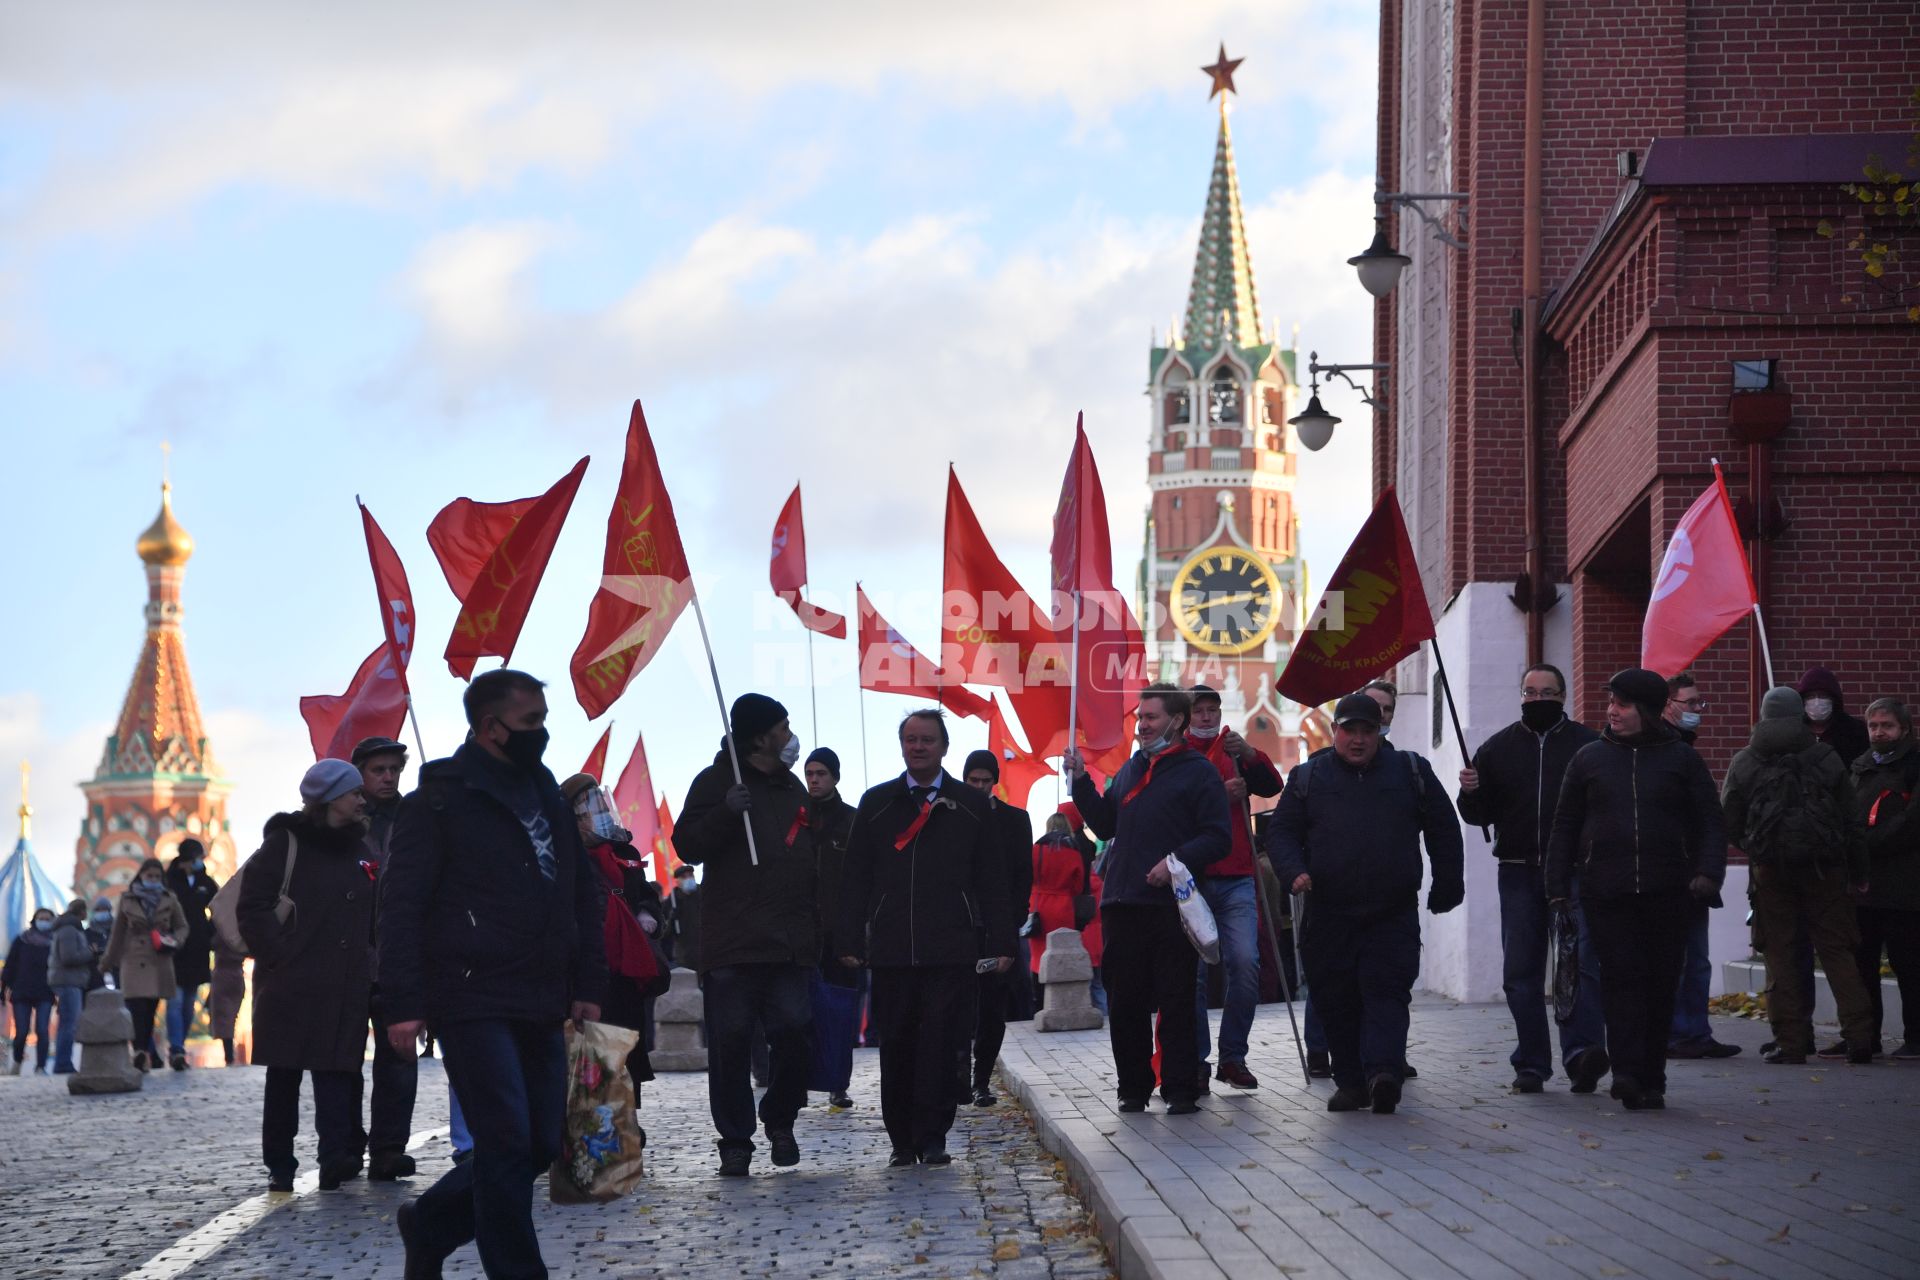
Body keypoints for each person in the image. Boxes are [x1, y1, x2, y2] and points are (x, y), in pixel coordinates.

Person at [380, 669, 606, 1279]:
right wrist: (402, 1001)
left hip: (543, 992)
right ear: (490, 727)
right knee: (504, 1139)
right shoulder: (440, 797)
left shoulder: (549, 795)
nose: (542, 733)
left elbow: (582, 892)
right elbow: (400, 904)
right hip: (470, 992)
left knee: (540, 1141)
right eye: (530, 722)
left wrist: (588, 984)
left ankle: (430, 1224)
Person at [1270, 692, 1464, 1114]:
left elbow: (1443, 827)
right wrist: (1292, 870)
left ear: (1380, 733)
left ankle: (1384, 1073)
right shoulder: (1308, 778)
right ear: (1334, 731)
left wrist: (1448, 883)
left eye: (1367, 731)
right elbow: (1281, 833)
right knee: (1336, 997)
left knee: (1387, 992)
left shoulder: (1410, 771)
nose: (1358, 739)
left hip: (1390, 909)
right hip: (1328, 911)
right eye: (1349, 730)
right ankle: (1352, 1083)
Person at [837, 710, 1015, 1164]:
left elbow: (993, 878)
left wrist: (1002, 941)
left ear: (944, 747)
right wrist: (850, 939)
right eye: (911, 739)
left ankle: (934, 1135)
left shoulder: (970, 807)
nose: (919, 747)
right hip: (893, 949)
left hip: (950, 947)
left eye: (927, 740)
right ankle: (901, 1140)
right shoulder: (876, 804)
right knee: (896, 1044)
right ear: (901, 746)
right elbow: (854, 878)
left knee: (941, 1043)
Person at [1547, 667, 1726, 1111]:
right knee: (1621, 980)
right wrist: (1555, 886)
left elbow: (1710, 821)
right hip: (1606, 892)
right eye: (1610, 703)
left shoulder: (1681, 760)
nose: (1612, 711)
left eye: (1621, 704)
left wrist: (1707, 873)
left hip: (1670, 892)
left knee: (1662, 983)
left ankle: (1653, 1077)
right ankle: (1627, 1073)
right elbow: (1565, 825)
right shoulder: (1589, 759)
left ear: (1646, 710)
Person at [1067, 684, 1231, 1117]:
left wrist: (1174, 861)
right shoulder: (1131, 767)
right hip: (1122, 901)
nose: (1141, 726)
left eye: (1151, 718)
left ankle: (1179, 1088)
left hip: (1170, 906)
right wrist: (1080, 783)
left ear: (1176, 721)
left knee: (1177, 999)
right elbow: (1104, 826)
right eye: (1140, 718)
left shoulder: (1198, 771)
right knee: (1125, 1003)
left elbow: (1218, 836)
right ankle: (1132, 1088)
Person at [676, 693, 819, 1178]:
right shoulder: (717, 781)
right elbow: (686, 845)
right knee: (732, 1041)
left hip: (788, 940)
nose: (789, 735)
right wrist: (724, 813)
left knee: (795, 1031)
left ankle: (780, 1118)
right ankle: (735, 1139)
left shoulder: (791, 786)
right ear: (760, 737)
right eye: (782, 726)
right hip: (733, 942)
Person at [1456, 663, 1608, 1094]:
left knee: (1579, 965)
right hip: (1519, 873)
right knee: (1520, 972)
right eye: (1530, 691)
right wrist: (1470, 792)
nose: (1537, 698)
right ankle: (1531, 1064)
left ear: (1563, 696)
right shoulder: (1497, 748)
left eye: (1547, 691)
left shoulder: (1590, 746)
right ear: (1520, 696)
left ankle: (1581, 1055)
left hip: (1574, 874)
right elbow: (1478, 815)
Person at [237, 760, 378, 1192]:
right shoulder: (286, 843)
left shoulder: (361, 847)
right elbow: (252, 906)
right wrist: (281, 955)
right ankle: (280, 1163)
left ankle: (335, 1157)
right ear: (333, 798)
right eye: (354, 792)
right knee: (285, 1076)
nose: (361, 799)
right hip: (292, 984)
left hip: (345, 983)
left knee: (338, 1071)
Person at [1721, 687, 1874, 1065]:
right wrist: (1859, 870)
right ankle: (1859, 1038)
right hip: (1826, 869)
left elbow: (1728, 818)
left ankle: (1791, 1043)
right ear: (1801, 714)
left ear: (1763, 715)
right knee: (1838, 951)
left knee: (1781, 954)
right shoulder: (1825, 755)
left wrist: (1756, 847)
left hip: (1771, 871)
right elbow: (1851, 819)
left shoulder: (1746, 759)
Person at [1185, 684, 1283, 1092]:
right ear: (1184, 717)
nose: (1208, 717)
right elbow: (1171, 809)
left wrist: (1250, 755)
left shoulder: (1232, 749)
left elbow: (1272, 785)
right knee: (1194, 976)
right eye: (1200, 711)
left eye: (1213, 709)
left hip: (1238, 874)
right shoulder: (1178, 755)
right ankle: (1196, 1060)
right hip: (1193, 879)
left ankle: (1233, 1055)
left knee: (1245, 964)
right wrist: (1217, 795)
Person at [561, 773, 661, 1140]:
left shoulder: (625, 852)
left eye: (602, 807)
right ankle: (594, 1123)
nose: (600, 815)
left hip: (625, 968)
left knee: (628, 1048)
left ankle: (627, 1115)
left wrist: (649, 914)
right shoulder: (564, 855)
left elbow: (645, 894)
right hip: (584, 967)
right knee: (591, 1048)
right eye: (590, 809)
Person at [1662, 673, 1741, 1060]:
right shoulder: (1672, 754)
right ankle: (1682, 1033)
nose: (1697, 711)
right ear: (1667, 706)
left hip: (1691, 875)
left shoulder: (1684, 751)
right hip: (1678, 876)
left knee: (1694, 960)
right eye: (1689, 703)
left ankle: (1691, 1031)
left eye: (1699, 704)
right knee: (1685, 961)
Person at [353, 734, 420, 1182]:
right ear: (360, 774)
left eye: (394, 769)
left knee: (399, 1055)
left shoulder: (413, 819)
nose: (388, 777)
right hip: (351, 957)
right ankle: (340, 1147)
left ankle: (389, 1148)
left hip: (400, 954)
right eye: (379, 769)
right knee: (341, 1060)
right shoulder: (345, 822)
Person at [959, 748, 1034, 1108]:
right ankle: (958, 1076)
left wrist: (1012, 924)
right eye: (972, 781)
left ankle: (981, 1080)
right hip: (957, 929)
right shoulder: (949, 815)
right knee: (956, 1006)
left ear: (994, 783)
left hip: (996, 929)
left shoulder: (1014, 820)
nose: (978, 787)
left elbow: (1022, 877)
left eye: (985, 781)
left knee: (992, 1009)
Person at [1848, 698, 1920, 1060]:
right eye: (1873, 726)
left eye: (1886, 726)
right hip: (1864, 888)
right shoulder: (1860, 766)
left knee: (1909, 965)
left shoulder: (1914, 765)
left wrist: (1864, 843)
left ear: (1904, 729)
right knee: (1862, 966)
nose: (1879, 732)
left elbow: (1911, 823)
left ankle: (1916, 1037)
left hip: (1905, 887)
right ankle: (1865, 1037)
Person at [805, 747, 861, 1110]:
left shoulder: (853, 820)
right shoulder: (797, 819)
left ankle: (838, 1083)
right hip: (803, 933)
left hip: (842, 934)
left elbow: (864, 881)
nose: (814, 780)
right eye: (809, 773)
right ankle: (802, 1080)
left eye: (821, 773)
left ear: (835, 776)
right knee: (800, 1012)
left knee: (840, 1012)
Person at [103, 858, 187, 1073]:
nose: (153, 880)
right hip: (133, 958)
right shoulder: (127, 899)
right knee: (136, 1008)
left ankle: (142, 1051)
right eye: (149, 876)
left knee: (150, 1009)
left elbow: (182, 926)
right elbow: (117, 933)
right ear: (141, 875)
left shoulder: (170, 899)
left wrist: (174, 941)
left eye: (157, 877)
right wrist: (106, 962)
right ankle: (139, 1051)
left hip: (159, 958)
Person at [160, 838, 218, 1071]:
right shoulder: (170, 881)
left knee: (188, 1003)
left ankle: (179, 1045)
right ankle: (176, 1048)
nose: (200, 862)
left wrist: (210, 932)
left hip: (197, 949)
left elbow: (219, 905)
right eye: (197, 857)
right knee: (174, 1001)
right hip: (175, 948)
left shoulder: (205, 882)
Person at [3, 906, 57, 1075]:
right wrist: (4, 988)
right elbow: (10, 966)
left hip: (45, 992)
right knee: (21, 1032)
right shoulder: (22, 940)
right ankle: (17, 1062)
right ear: (34, 920)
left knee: (42, 1030)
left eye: (48, 919)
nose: (44, 922)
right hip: (22, 992)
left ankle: (40, 1066)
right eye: (41, 918)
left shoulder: (54, 942)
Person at [46, 899, 94, 1074]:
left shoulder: (68, 928)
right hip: (68, 981)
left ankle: (63, 1061)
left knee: (67, 1023)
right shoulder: (68, 930)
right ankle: (63, 1063)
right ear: (81, 912)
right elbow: (68, 957)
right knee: (69, 1024)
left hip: (70, 980)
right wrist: (90, 952)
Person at [1798, 666, 1872, 767]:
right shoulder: (1796, 731)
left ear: (1834, 699)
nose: (1817, 702)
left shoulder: (1855, 731)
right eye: (1810, 696)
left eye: (1823, 695)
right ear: (1802, 701)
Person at [209, 932, 247, 1065]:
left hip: (222, 975)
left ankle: (229, 1055)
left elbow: (212, 943)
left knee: (224, 1019)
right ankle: (229, 1054)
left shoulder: (220, 930)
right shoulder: (240, 930)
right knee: (231, 1017)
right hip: (238, 975)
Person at [664, 865, 702, 971]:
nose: (688, 879)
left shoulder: (702, 892)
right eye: (684, 877)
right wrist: (672, 918)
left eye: (690, 875)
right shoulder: (673, 899)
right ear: (677, 881)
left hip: (704, 945)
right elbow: (665, 931)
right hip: (683, 950)